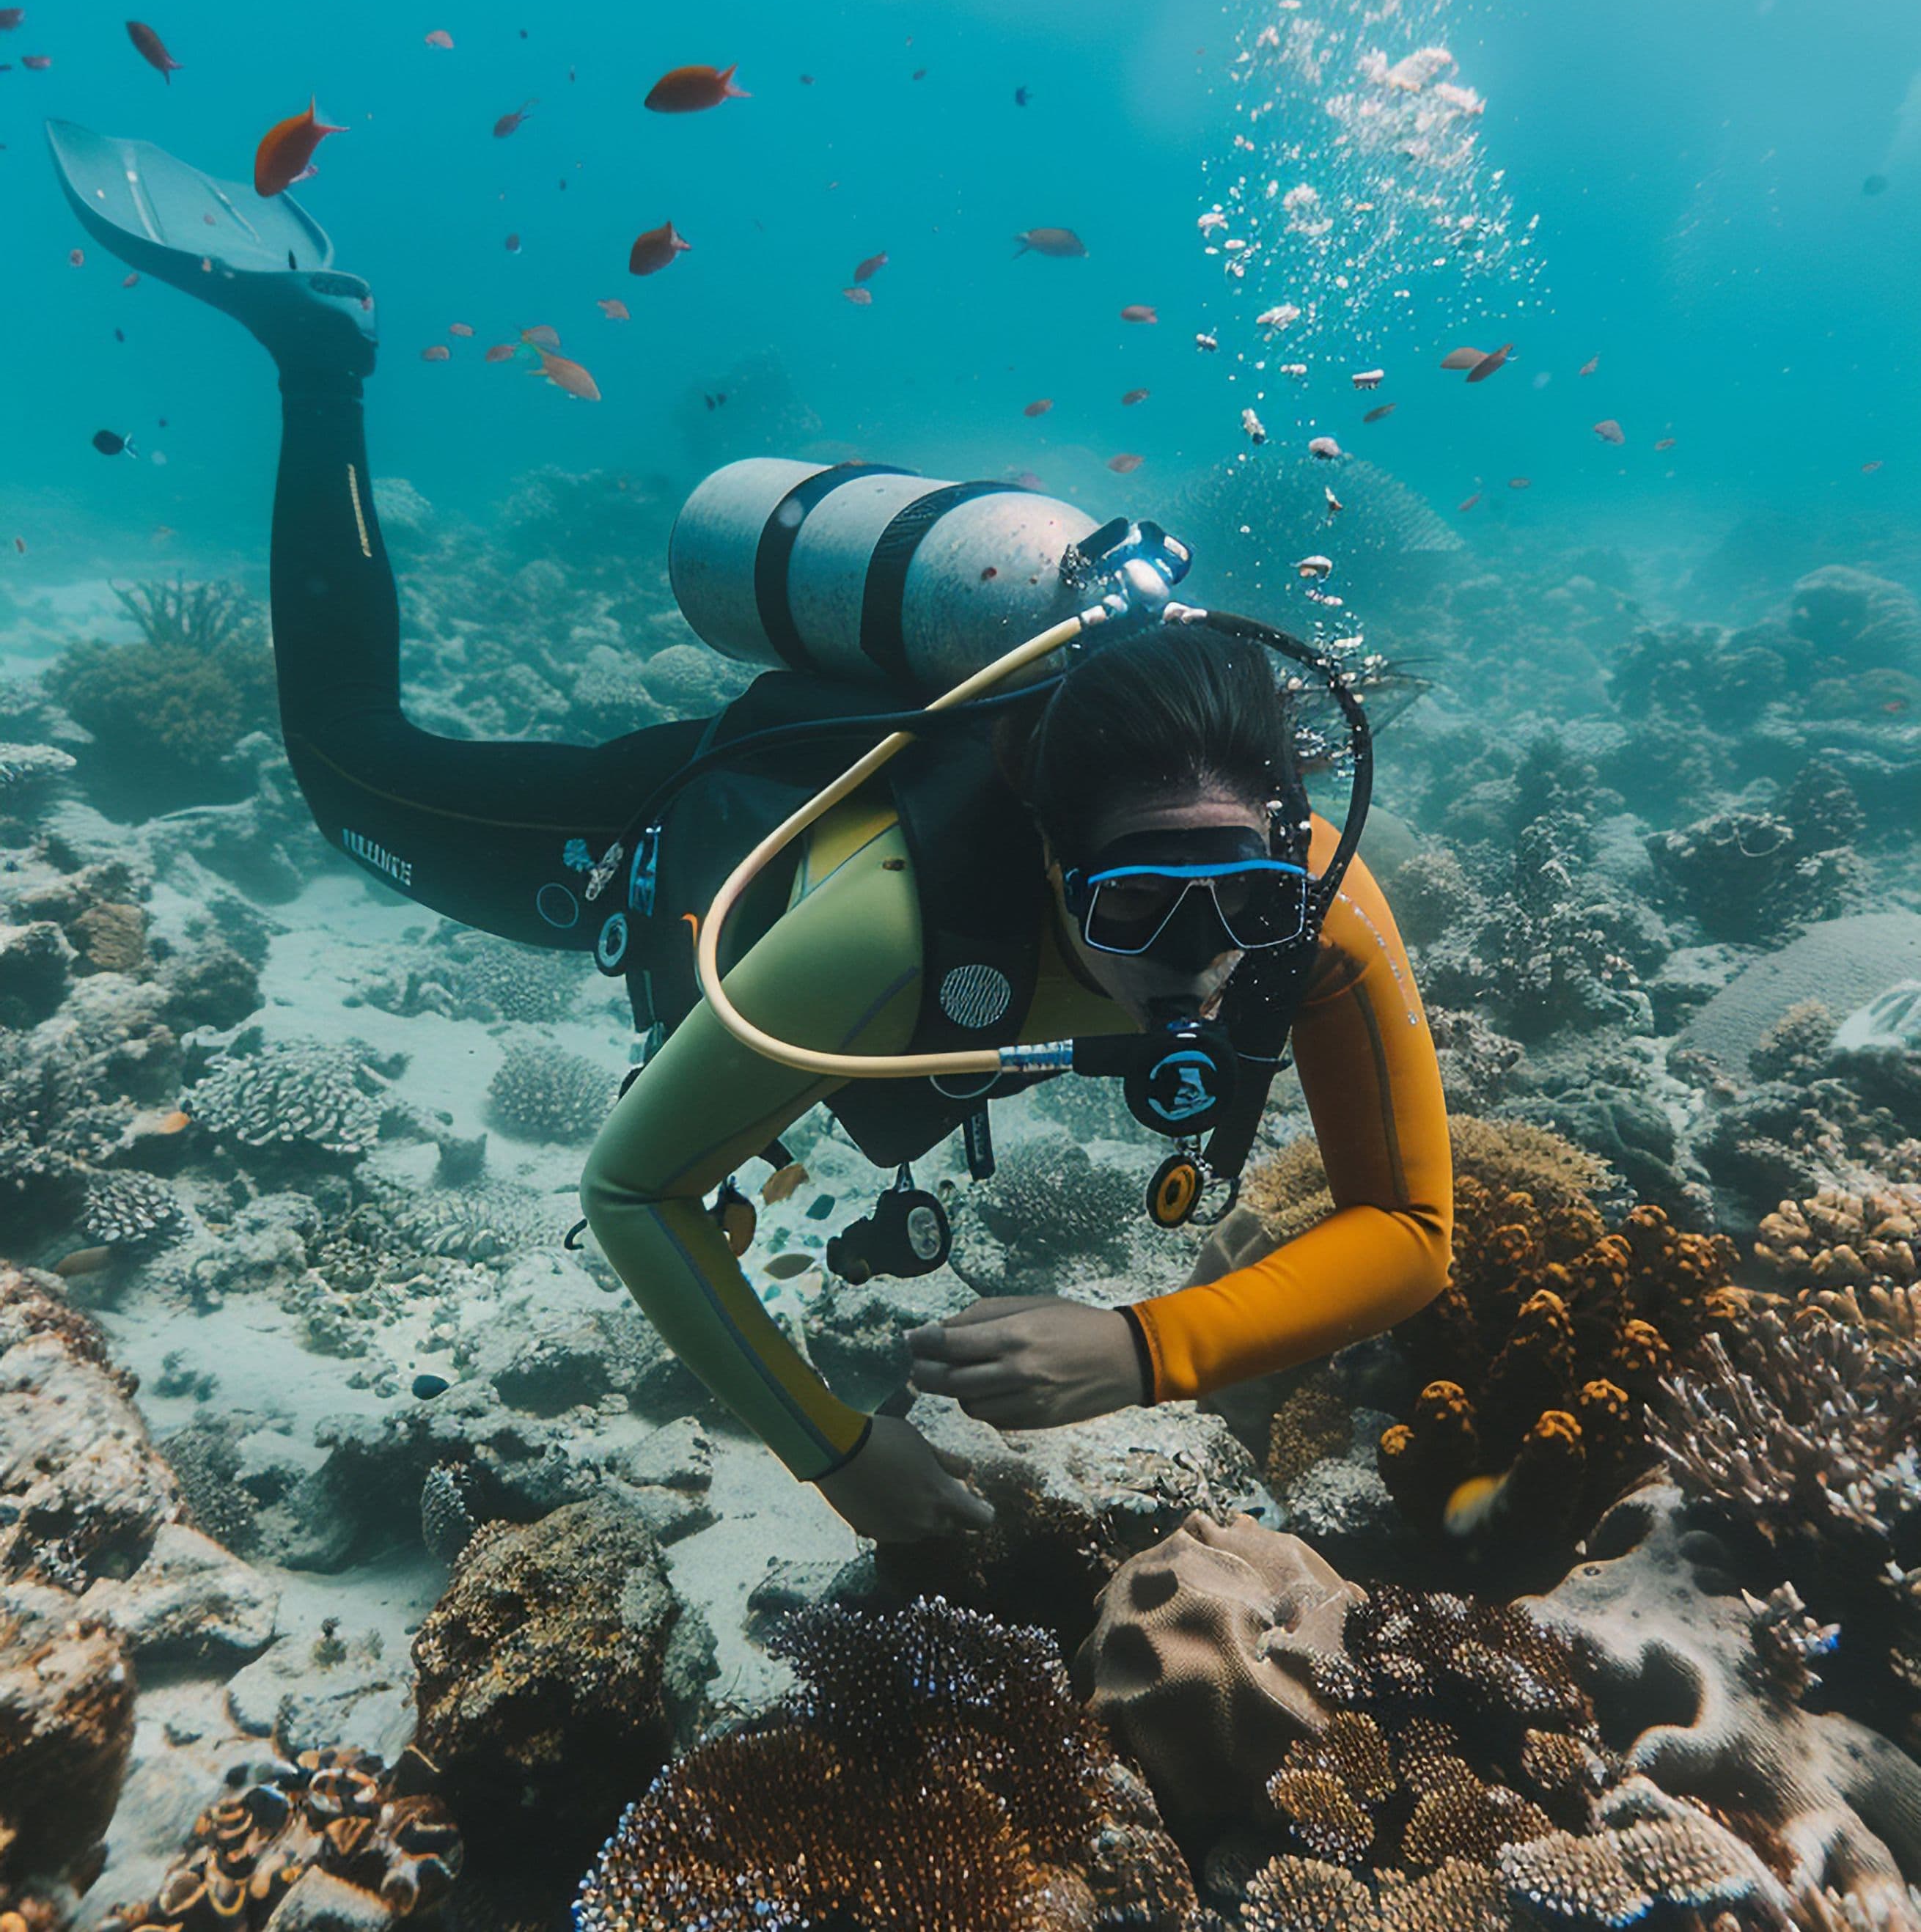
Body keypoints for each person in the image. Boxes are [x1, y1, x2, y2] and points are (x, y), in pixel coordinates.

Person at [51, 121, 1453, 1548]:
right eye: (1136, 906)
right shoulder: (884, 931)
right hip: (679, 831)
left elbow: (1408, 1231)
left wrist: (1150, 1347)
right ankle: (320, 356)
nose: (1203, 958)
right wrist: (835, 1450)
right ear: (1046, 853)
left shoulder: (1320, 904)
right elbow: (629, 1187)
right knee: (352, 774)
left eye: (1247, 904)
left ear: (1290, 846)